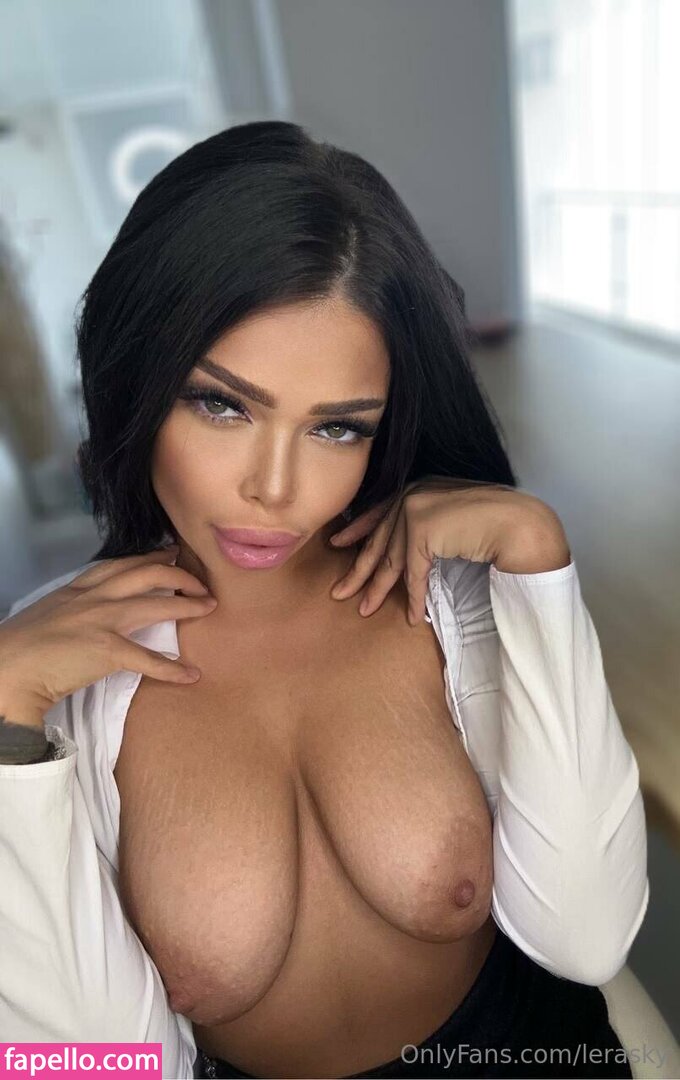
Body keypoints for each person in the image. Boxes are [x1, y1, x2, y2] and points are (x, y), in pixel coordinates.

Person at [0, 121, 648, 1079]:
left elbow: (590, 940)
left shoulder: (451, 601)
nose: (275, 489)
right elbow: (90, 1065)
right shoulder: (51, 675)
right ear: (135, 376)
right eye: (222, 404)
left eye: (337, 428)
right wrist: (6, 722)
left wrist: (540, 567)